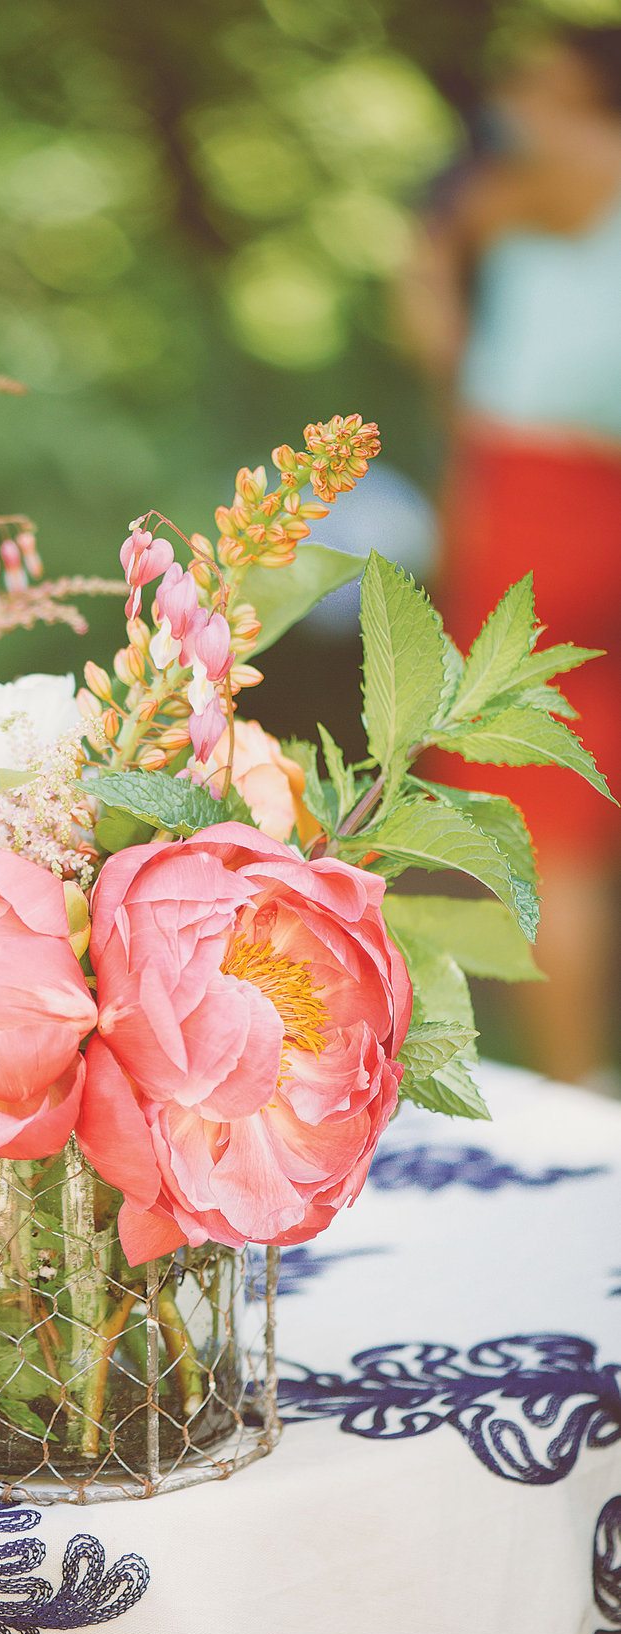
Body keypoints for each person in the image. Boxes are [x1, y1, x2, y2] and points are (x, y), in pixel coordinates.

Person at [396, 25, 621, 1088]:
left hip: (535, 500)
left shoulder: (521, 190)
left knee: (542, 815)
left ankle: (570, 1097)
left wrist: (436, 255)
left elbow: (436, 332)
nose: (518, 102)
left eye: (541, 84)